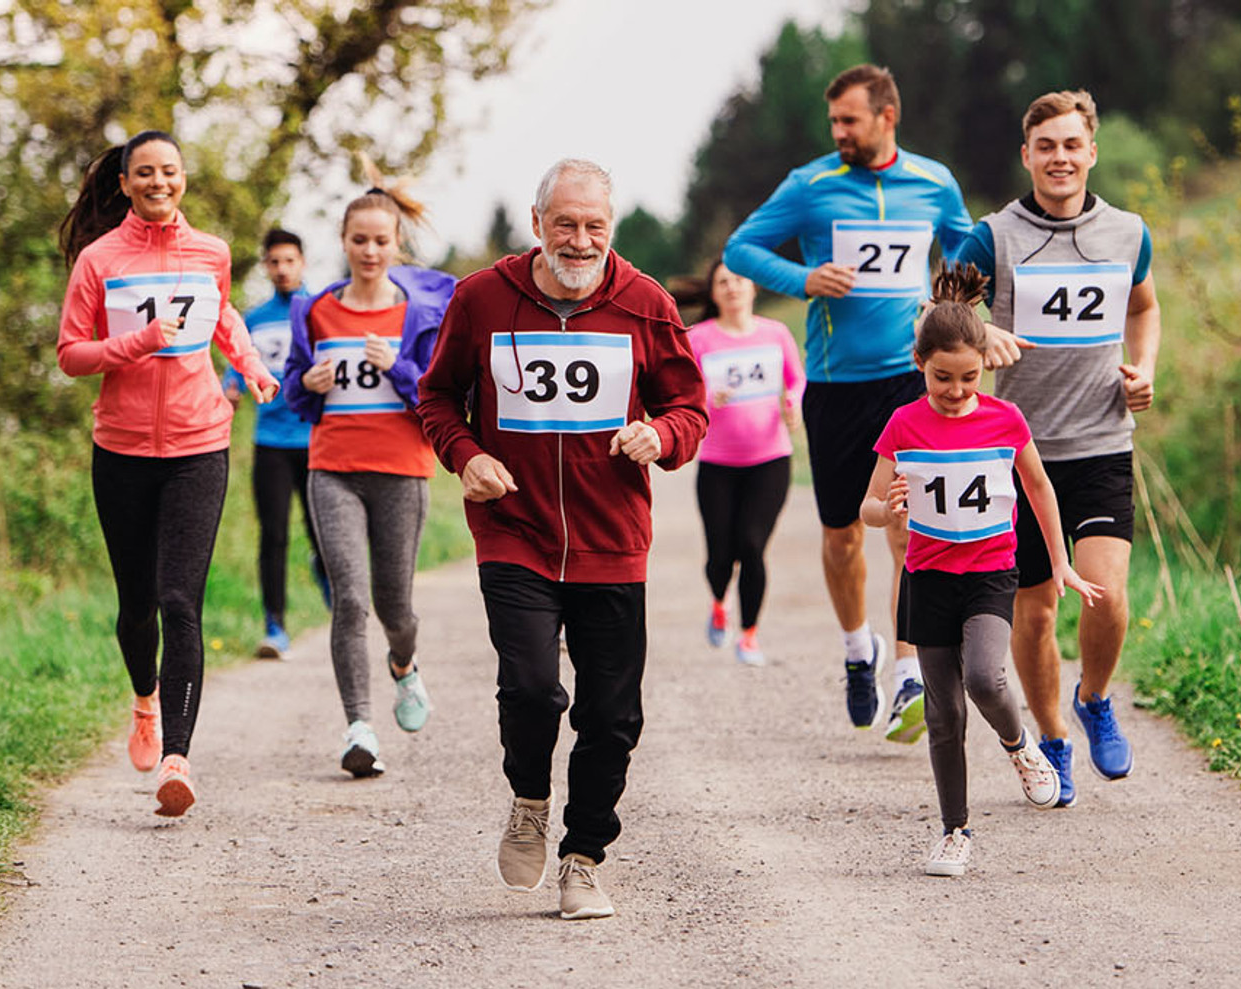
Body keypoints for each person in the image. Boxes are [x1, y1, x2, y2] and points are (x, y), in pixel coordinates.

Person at [417, 159, 708, 921]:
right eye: (566, 224)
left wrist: (661, 433)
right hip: (514, 529)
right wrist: (466, 455)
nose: (579, 241)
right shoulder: (482, 297)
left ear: (611, 231)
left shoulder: (647, 305)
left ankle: (583, 858)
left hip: (612, 538)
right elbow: (438, 394)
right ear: (538, 222)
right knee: (531, 687)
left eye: (595, 227)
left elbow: (689, 406)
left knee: (612, 714)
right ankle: (530, 797)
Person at [725, 64, 990, 744]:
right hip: (837, 384)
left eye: (850, 120)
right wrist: (805, 278)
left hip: (912, 381)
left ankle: (908, 670)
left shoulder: (932, 181)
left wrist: (949, 298)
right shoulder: (810, 185)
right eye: (834, 122)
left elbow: (964, 248)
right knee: (844, 534)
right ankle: (857, 648)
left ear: (886, 117)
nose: (838, 132)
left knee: (908, 526)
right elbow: (742, 248)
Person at [56, 130, 279, 817]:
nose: (159, 181)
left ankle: (177, 760)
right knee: (137, 606)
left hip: (198, 442)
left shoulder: (210, 250)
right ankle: (145, 700)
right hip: (121, 449)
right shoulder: (99, 260)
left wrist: (251, 363)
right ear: (124, 183)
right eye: (145, 172)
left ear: (183, 178)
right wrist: (139, 342)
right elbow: (71, 353)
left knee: (182, 600)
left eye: (170, 171)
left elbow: (223, 315)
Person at [949, 89, 1163, 806]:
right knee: (1036, 613)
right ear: (1027, 156)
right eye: (1047, 146)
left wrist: (1146, 368)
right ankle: (1054, 738)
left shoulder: (1129, 232)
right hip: (1018, 451)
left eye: (1072, 145)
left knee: (1107, 594)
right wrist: (982, 334)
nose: (1060, 158)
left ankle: (1095, 697)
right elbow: (944, 310)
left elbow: (1144, 305)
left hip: (1103, 439)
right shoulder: (993, 237)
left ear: (1092, 151)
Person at [859, 263, 1104, 876]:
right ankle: (954, 831)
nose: (956, 389)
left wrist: (1061, 563)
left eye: (969, 377)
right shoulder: (903, 425)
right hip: (928, 578)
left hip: (992, 574)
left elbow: (1041, 491)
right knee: (942, 715)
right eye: (943, 377)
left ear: (985, 369)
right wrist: (883, 508)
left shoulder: (1004, 420)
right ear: (921, 364)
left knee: (987, 680)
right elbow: (865, 505)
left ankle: (1021, 748)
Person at [283, 167, 456, 777]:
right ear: (344, 241)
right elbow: (295, 396)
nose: (370, 251)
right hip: (333, 470)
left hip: (401, 473)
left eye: (381, 241)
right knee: (350, 600)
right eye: (360, 240)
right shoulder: (317, 310)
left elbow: (437, 397)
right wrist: (306, 382)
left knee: (395, 607)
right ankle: (359, 726)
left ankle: (404, 665)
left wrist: (401, 369)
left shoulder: (418, 313)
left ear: (396, 243)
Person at [685, 259, 805, 667]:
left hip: (769, 460)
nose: (732, 287)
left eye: (739, 280)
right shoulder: (698, 338)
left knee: (752, 546)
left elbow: (797, 380)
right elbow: (681, 392)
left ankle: (749, 635)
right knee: (720, 556)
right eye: (722, 281)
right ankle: (719, 601)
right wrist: (705, 400)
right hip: (717, 463)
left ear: (753, 289)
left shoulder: (776, 334)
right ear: (713, 292)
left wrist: (793, 403)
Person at [222, 228, 329, 660]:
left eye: (289, 261)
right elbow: (236, 369)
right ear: (265, 266)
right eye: (274, 262)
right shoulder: (254, 319)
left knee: (323, 535)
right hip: (270, 442)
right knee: (274, 536)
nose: (282, 269)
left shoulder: (322, 312)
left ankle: (337, 603)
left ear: (302, 262)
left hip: (317, 439)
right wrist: (230, 388)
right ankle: (275, 627)